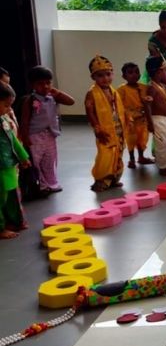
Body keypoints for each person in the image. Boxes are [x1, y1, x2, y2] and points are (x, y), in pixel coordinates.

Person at [17, 66, 74, 194]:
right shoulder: (30, 100)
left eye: (48, 83)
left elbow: (71, 101)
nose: (45, 86)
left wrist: (58, 92)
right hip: (34, 136)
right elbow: (24, 120)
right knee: (36, 161)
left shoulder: (53, 96)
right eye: (40, 83)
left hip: (50, 134)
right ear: (32, 85)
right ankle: (42, 186)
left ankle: (52, 183)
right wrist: (25, 138)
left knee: (50, 160)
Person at [85, 55, 127, 192]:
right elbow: (90, 111)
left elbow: (120, 108)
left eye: (108, 74)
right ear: (93, 77)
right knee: (105, 155)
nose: (105, 78)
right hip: (104, 130)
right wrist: (97, 128)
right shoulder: (92, 93)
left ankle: (114, 178)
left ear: (112, 74)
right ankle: (101, 180)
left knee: (118, 153)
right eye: (100, 76)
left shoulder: (113, 91)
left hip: (118, 129)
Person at [0, 83, 31, 239]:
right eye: (6, 105)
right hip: (1, 167)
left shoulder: (3, 119)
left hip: (9, 165)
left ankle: (14, 221)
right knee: (1, 197)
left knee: (12, 195)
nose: (9, 109)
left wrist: (23, 156)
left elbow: (14, 140)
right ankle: (0, 228)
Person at [116, 62, 154, 169]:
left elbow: (149, 98)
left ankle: (141, 157)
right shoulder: (122, 89)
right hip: (130, 120)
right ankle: (131, 159)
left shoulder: (144, 87)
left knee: (143, 138)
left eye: (137, 72)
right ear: (124, 76)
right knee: (131, 139)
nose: (134, 75)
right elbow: (119, 104)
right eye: (130, 72)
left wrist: (149, 99)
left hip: (142, 119)